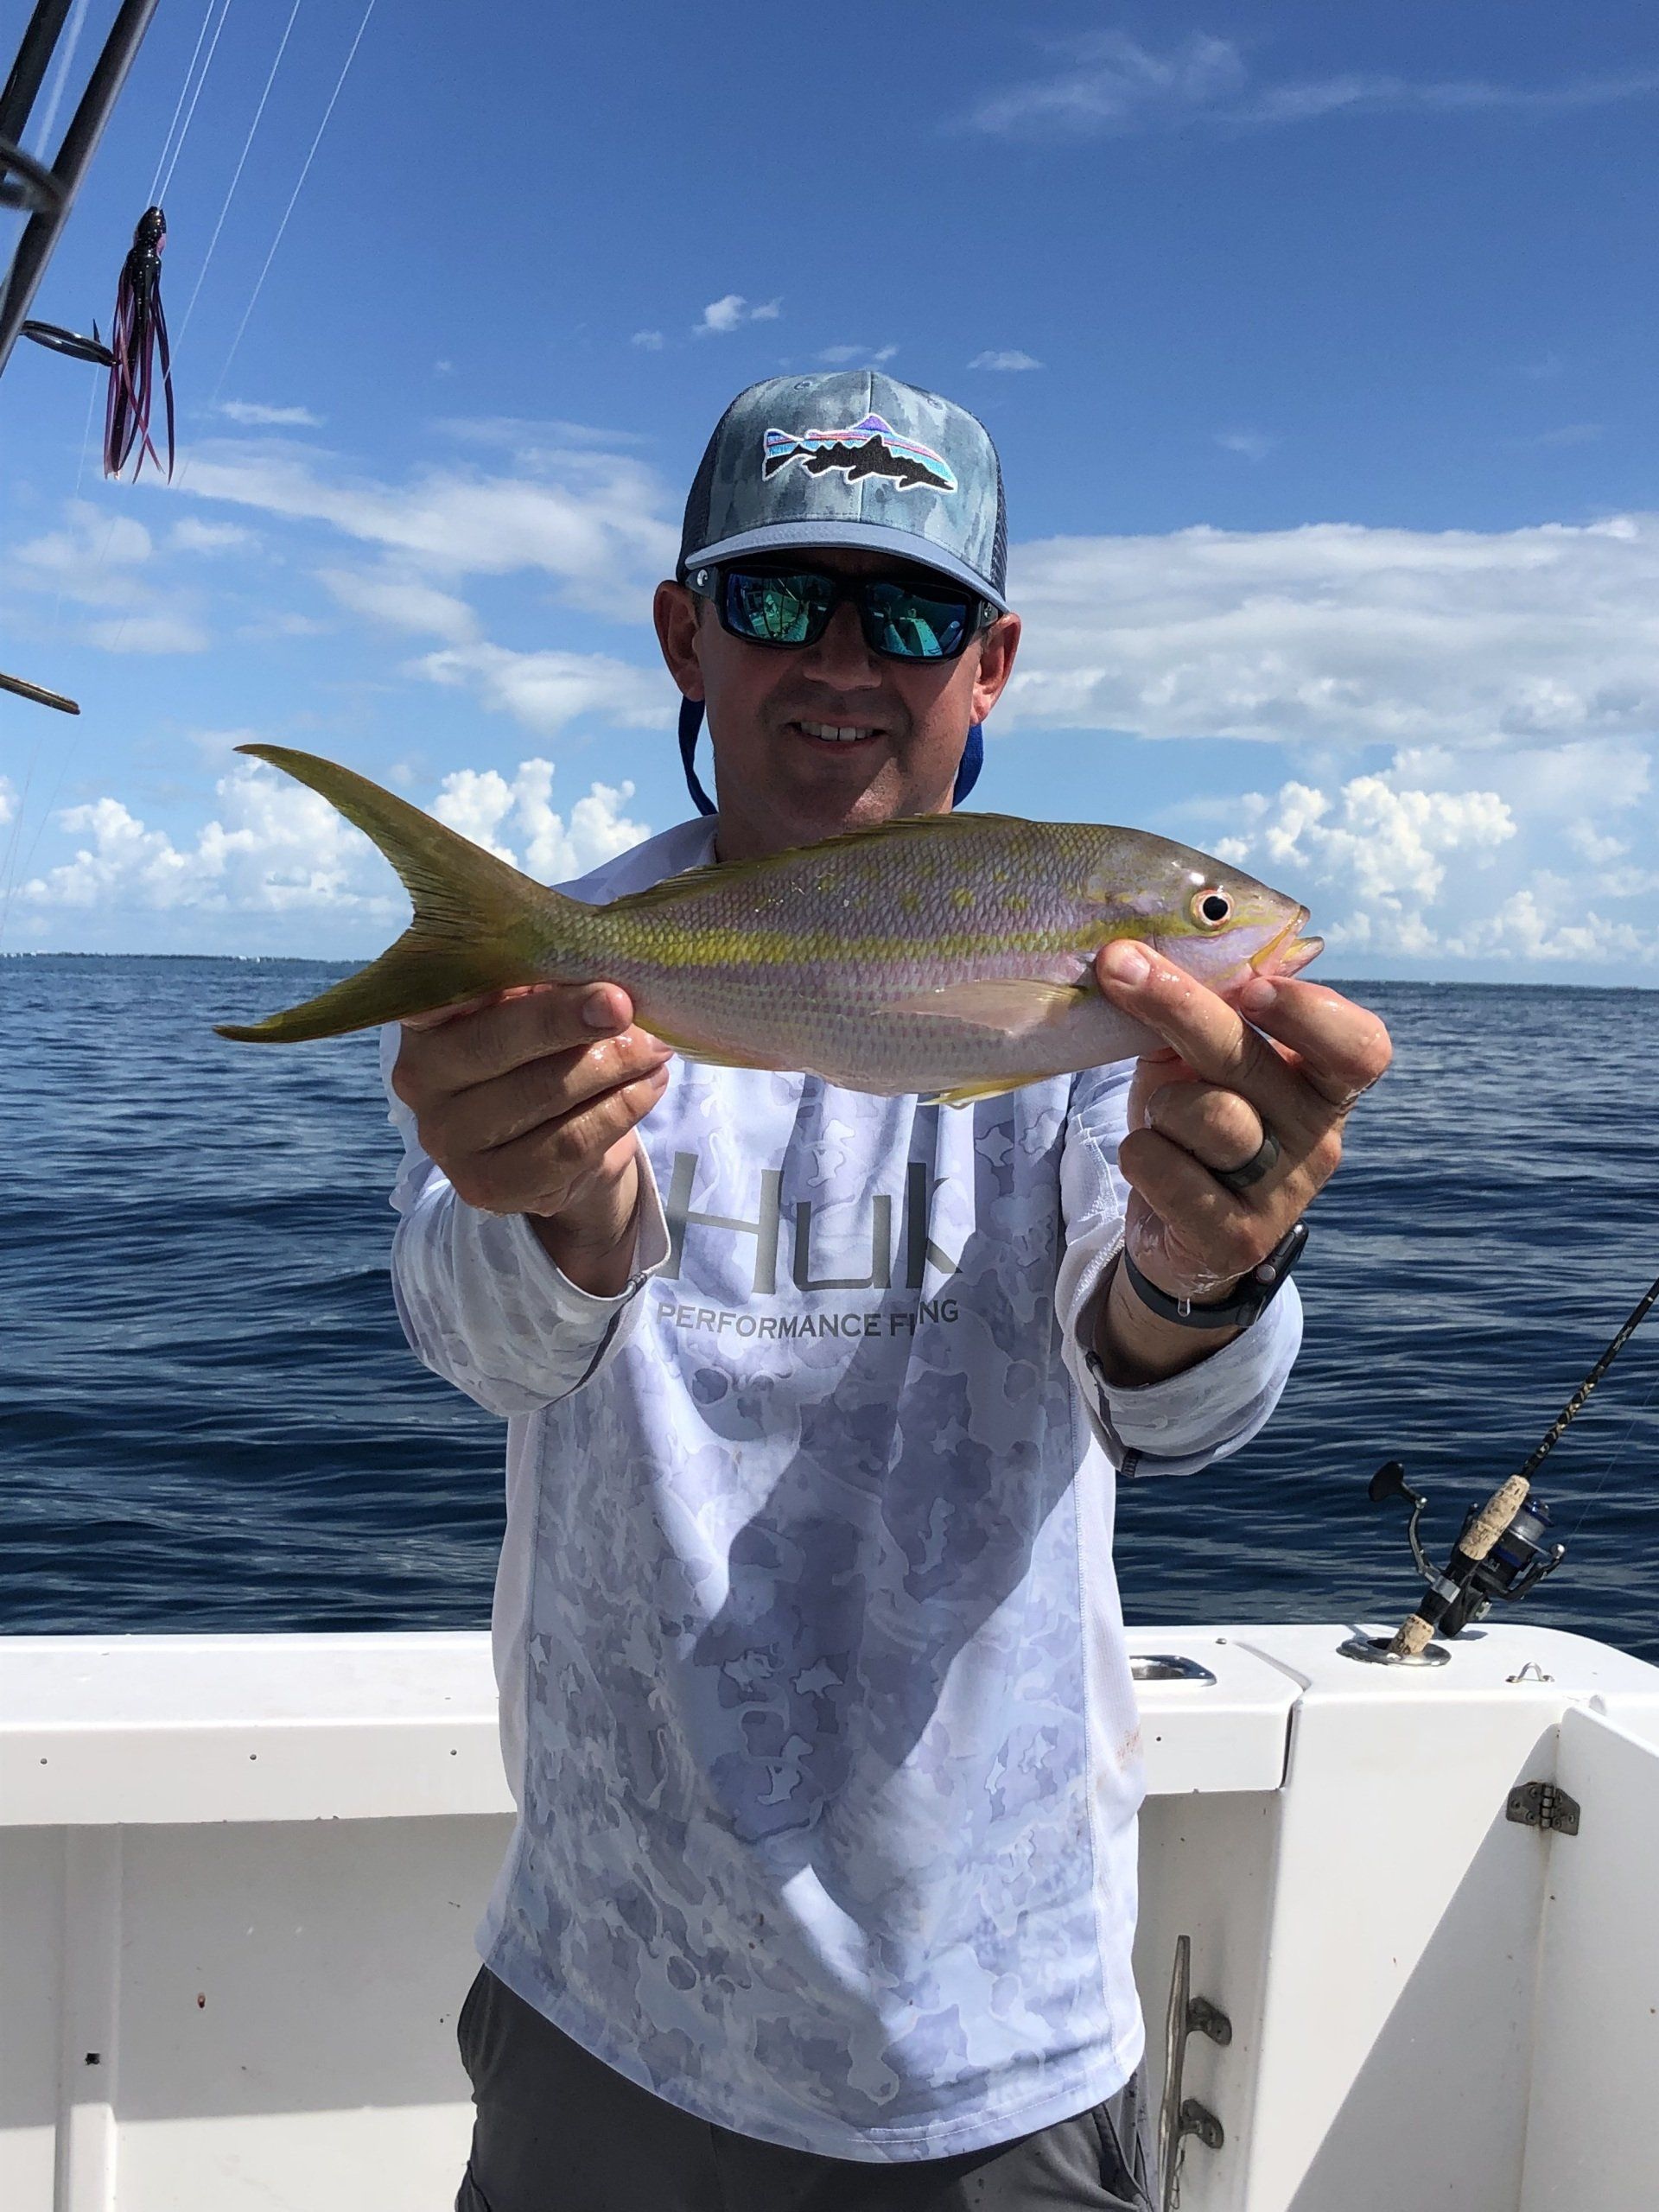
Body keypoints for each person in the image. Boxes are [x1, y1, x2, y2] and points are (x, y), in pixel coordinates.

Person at [384, 372, 1392, 2212]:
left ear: (990, 663)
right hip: (605, 1980)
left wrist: (1209, 1262)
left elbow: (1170, 1404)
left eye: (915, 614)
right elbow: (473, 1339)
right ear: (685, 634)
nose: (844, 659)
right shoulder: (561, 975)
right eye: (781, 598)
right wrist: (558, 1215)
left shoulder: (1119, 1023)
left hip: (994, 2032)